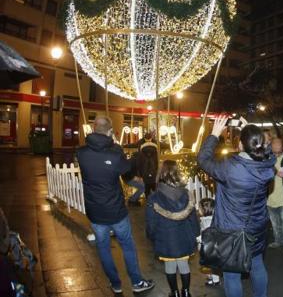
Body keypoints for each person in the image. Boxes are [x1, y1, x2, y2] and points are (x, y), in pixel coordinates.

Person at [197, 116, 275, 297]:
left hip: (231, 231)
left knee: (231, 274)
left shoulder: (230, 168)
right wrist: (252, 131)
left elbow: (203, 159)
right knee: (256, 265)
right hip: (256, 227)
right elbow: (268, 153)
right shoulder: (267, 167)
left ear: (240, 145)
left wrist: (214, 135)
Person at [77, 116, 154, 294]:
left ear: (93, 129)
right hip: (116, 210)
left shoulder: (81, 152)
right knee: (127, 245)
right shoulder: (114, 153)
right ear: (110, 131)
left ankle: (116, 284)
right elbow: (126, 170)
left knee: (103, 247)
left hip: (95, 210)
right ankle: (136, 282)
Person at [145, 160, 200, 297]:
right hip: (184, 236)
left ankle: (174, 293)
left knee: (170, 266)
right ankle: (186, 292)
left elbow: (151, 222)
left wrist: (151, 235)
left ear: (161, 174)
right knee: (184, 265)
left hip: (165, 238)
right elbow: (193, 217)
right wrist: (195, 233)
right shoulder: (187, 194)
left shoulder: (154, 198)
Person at [197, 198, 220, 286]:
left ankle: (215, 280)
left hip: (209, 248)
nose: (198, 209)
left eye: (199, 208)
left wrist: (199, 239)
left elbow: (206, 235)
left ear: (204, 210)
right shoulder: (212, 219)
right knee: (212, 264)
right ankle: (212, 276)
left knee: (212, 264)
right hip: (212, 246)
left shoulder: (206, 221)